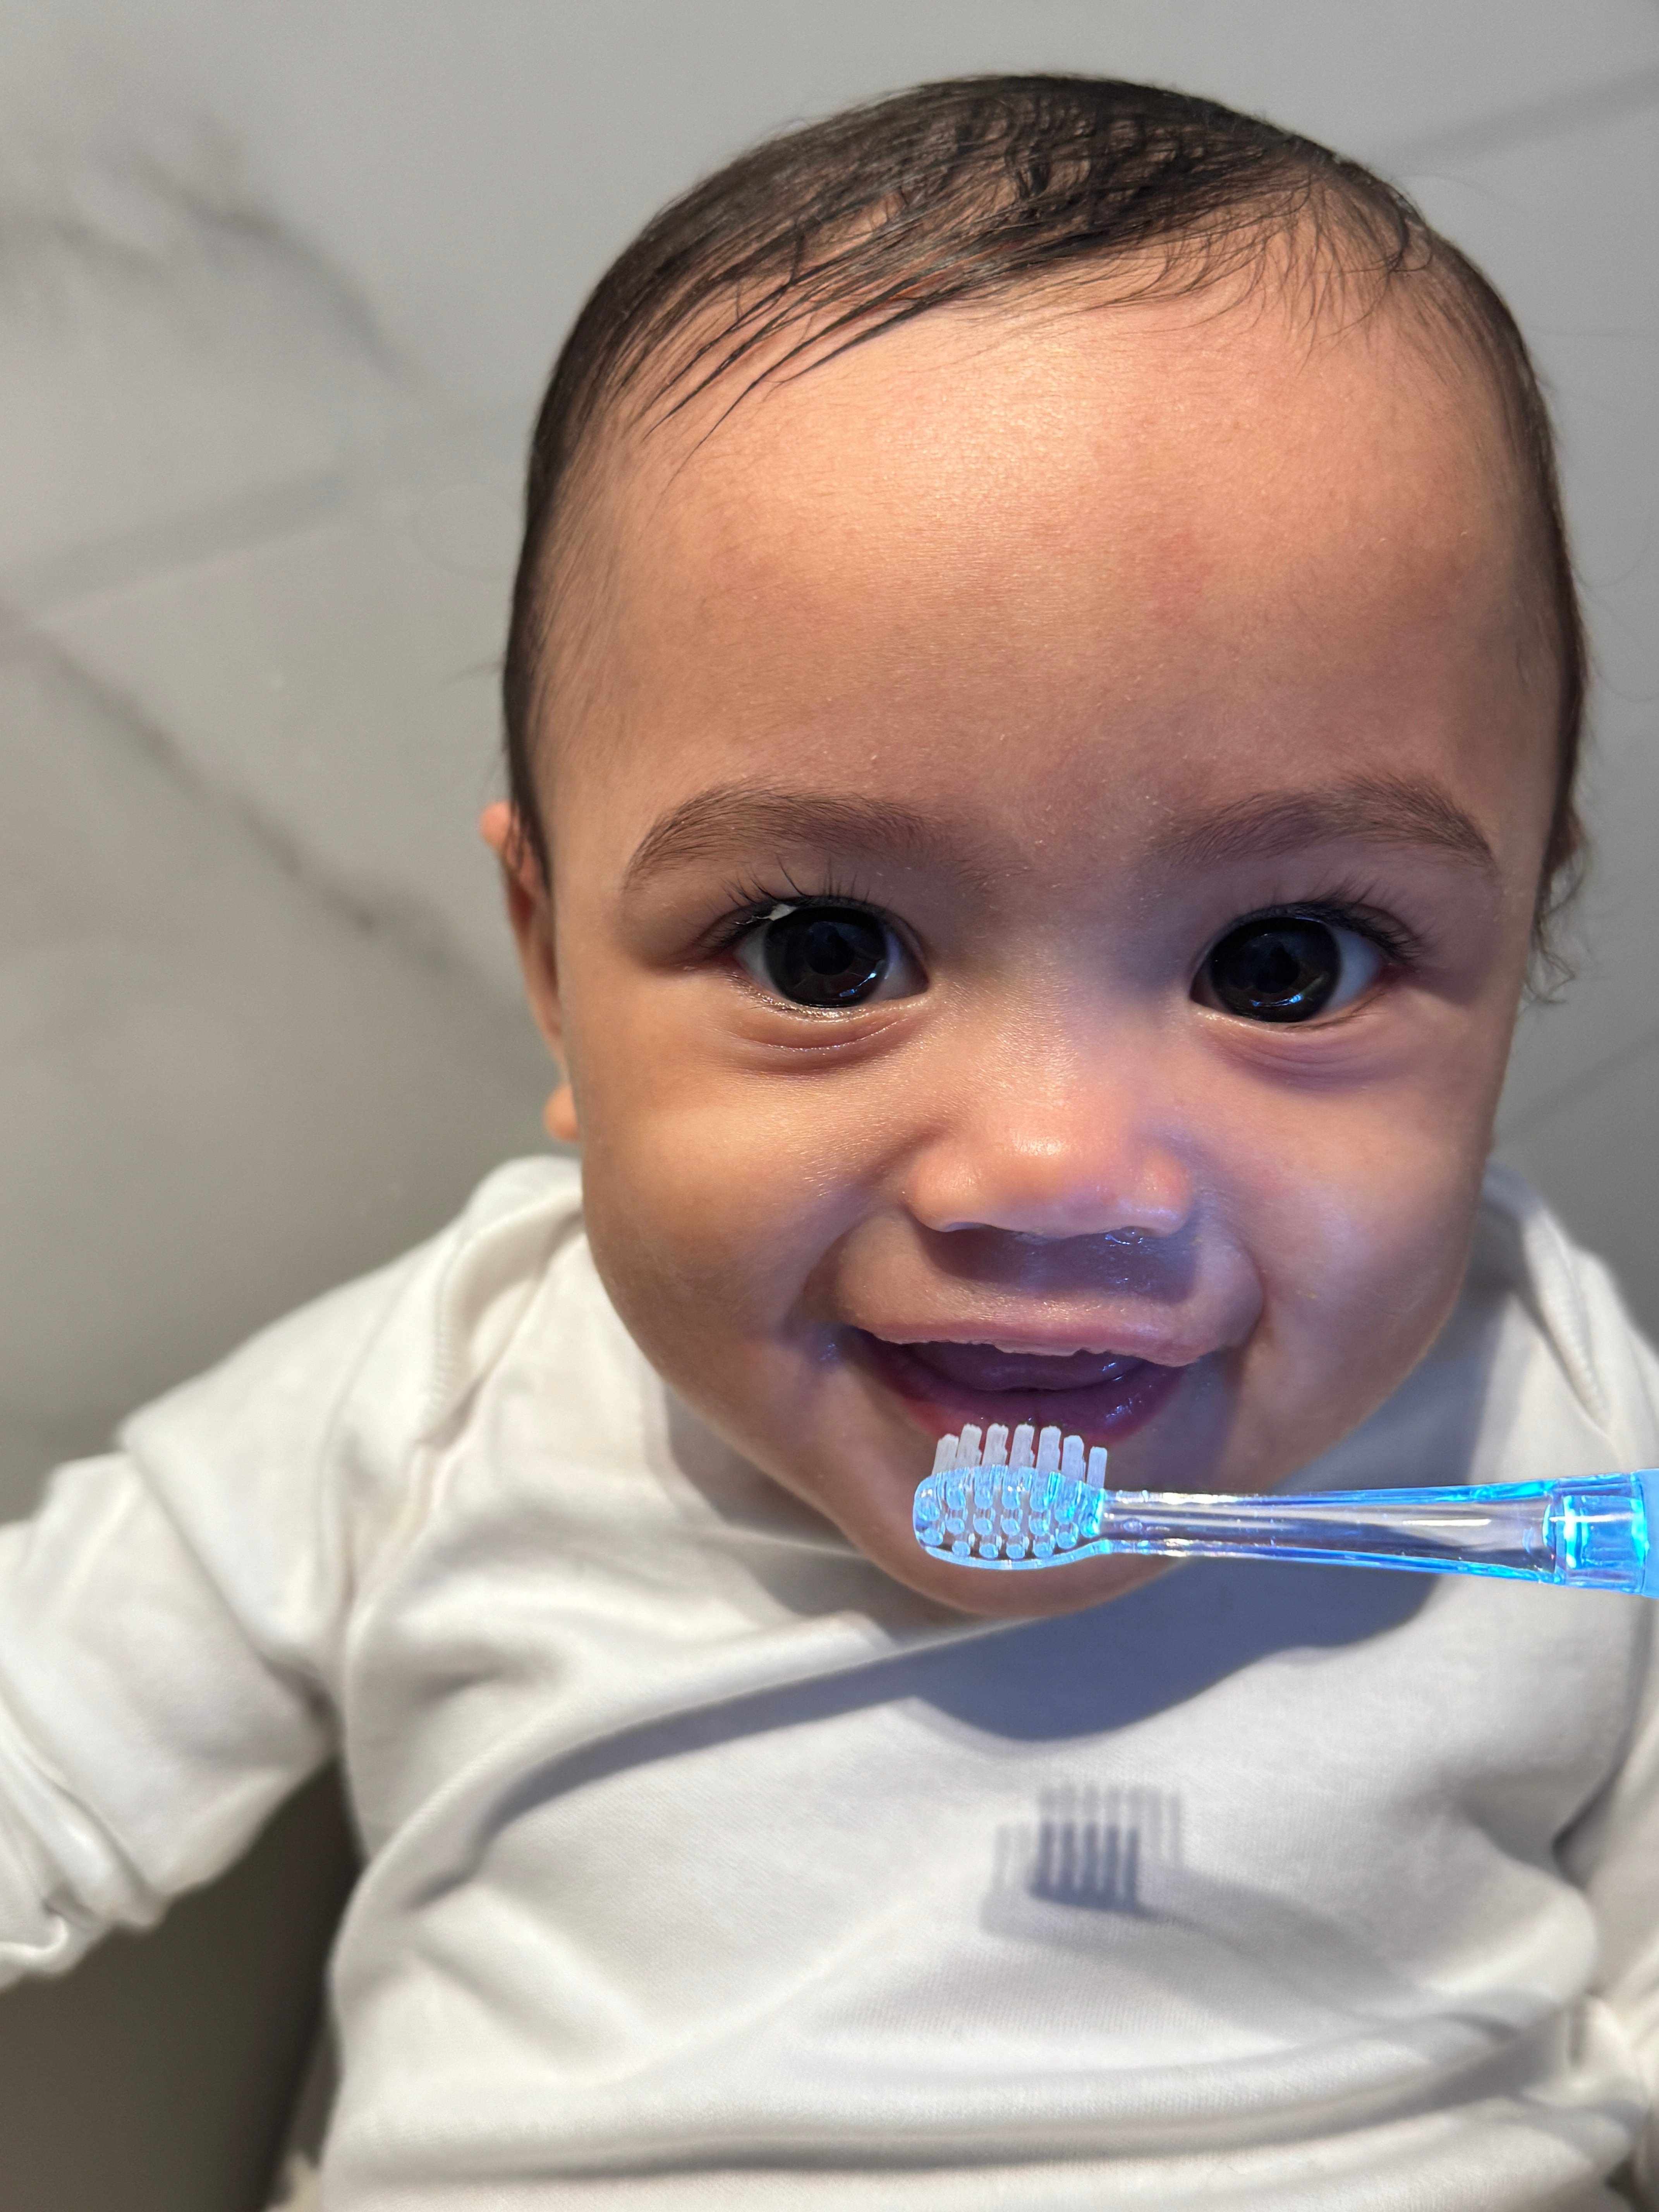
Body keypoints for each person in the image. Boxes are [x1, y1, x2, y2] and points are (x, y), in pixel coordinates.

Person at [4, 74, 1656, 2212]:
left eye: (1285, 966)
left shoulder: (1563, 1438)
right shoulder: (450, 1395)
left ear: (1513, 965)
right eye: (825, 951)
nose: (1054, 1173)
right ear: (553, 964)